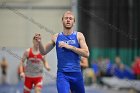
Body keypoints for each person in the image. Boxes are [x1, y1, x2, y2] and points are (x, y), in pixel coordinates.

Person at [35, 11, 89, 93]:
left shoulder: (79, 35)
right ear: (62, 21)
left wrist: (69, 47)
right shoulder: (56, 37)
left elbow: (86, 53)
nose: (68, 20)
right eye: (66, 18)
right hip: (62, 75)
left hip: (76, 74)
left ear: (74, 22)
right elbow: (43, 52)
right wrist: (39, 43)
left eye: (70, 19)